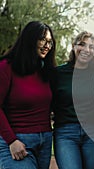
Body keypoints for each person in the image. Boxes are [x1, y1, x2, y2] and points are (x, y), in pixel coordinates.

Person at [0, 21, 56, 169]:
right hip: (16, 142)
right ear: (30, 39)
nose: (47, 46)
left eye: (50, 42)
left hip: (44, 142)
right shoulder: (6, 67)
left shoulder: (45, 71)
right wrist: (11, 140)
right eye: (42, 40)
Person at [51, 31, 94, 169]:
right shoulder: (58, 73)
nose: (86, 50)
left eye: (91, 47)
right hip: (65, 133)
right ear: (74, 46)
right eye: (82, 45)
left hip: (92, 133)